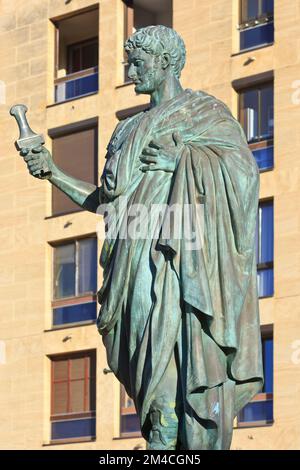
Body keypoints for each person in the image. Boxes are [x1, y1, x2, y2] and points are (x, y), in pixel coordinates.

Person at [19, 25, 263, 450]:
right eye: (129, 63)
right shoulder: (124, 132)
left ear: (166, 63)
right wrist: (53, 172)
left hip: (179, 263)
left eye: (138, 63)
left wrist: (182, 159)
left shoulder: (205, 113)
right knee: (152, 393)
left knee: (176, 384)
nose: (130, 71)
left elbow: (243, 175)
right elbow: (106, 201)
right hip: (130, 266)